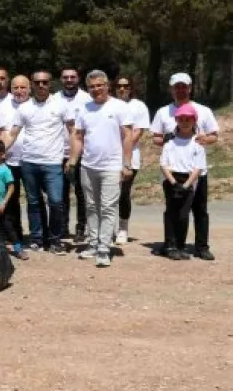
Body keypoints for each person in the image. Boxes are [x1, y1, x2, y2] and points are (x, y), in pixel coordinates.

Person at [150, 73, 218, 261]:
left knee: (200, 209)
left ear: (190, 88)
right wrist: (166, 139)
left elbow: (214, 136)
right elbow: (155, 137)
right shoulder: (163, 112)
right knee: (173, 209)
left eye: (184, 86)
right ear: (171, 89)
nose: (180, 89)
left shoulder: (203, 110)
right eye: (176, 86)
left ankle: (202, 246)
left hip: (197, 169)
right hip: (172, 169)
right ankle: (171, 244)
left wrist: (205, 139)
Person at [69, 70, 133, 268]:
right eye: (92, 86)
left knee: (107, 207)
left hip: (112, 167)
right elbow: (78, 136)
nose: (96, 89)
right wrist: (73, 160)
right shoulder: (83, 109)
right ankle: (93, 242)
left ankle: (104, 248)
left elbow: (127, 136)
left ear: (107, 85)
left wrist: (127, 163)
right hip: (88, 166)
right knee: (90, 206)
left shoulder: (120, 107)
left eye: (99, 85)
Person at [8, 70, 73, 255]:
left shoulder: (61, 105)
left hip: (53, 162)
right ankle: (37, 238)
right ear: (32, 84)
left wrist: (73, 158)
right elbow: (12, 133)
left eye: (45, 82)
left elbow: (73, 131)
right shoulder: (24, 108)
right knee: (34, 202)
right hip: (29, 162)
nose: (41, 85)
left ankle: (55, 239)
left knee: (56, 201)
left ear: (50, 84)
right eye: (37, 82)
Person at [159, 104, 208, 260]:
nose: (185, 122)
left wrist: (186, 185)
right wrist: (174, 183)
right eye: (181, 119)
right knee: (171, 212)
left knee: (184, 214)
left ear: (194, 121)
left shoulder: (198, 143)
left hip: (189, 180)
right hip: (172, 179)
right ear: (176, 120)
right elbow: (163, 164)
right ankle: (171, 245)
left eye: (188, 119)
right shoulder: (170, 143)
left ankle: (182, 245)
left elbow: (198, 168)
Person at [54, 67, 92, 239]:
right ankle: (62, 228)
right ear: (61, 79)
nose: (69, 80)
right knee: (61, 194)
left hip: (81, 152)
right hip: (58, 152)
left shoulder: (87, 98)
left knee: (81, 193)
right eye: (65, 77)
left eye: (72, 77)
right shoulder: (54, 99)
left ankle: (81, 228)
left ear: (78, 78)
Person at [0, 75, 30, 256]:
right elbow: (2, 132)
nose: (19, 91)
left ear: (29, 88)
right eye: (15, 88)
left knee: (34, 200)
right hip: (10, 161)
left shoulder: (34, 105)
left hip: (31, 160)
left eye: (22, 87)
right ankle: (14, 235)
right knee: (11, 201)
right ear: (11, 89)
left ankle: (39, 236)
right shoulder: (3, 107)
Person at [115, 76, 149, 244]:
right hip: (109, 157)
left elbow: (137, 132)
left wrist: (123, 148)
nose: (122, 89)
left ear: (131, 88)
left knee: (123, 193)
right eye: (119, 86)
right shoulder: (110, 104)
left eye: (126, 86)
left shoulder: (138, 106)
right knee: (107, 195)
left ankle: (122, 228)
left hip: (130, 157)